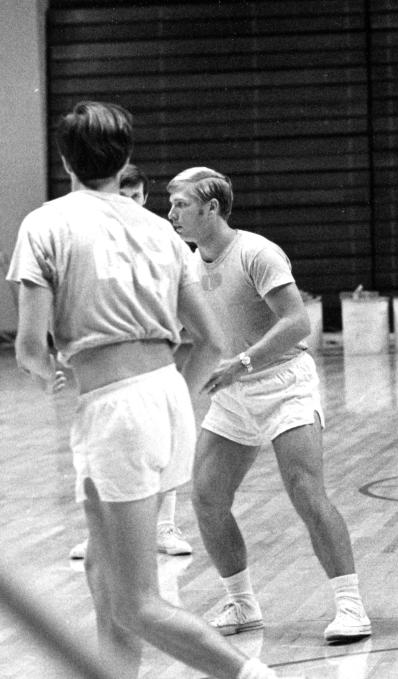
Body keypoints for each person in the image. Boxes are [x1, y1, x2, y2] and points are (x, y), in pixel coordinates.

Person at [7, 101, 279, 679]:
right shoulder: (160, 229)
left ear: (64, 159)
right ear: (124, 158)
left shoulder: (46, 223)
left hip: (115, 410)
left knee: (136, 601)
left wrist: (44, 369)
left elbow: (29, 344)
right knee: (102, 576)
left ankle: (257, 676)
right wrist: (172, 392)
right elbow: (211, 337)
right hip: (165, 399)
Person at [166, 167, 371, 644]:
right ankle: (242, 604)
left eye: (180, 203)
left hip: (284, 383)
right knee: (207, 497)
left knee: (305, 490)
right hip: (233, 393)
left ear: (211, 207)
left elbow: (299, 322)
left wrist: (242, 361)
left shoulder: (256, 252)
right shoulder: (189, 264)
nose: (170, 212)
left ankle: (351, 606)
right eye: (171, 204)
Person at [69, 163, 192, 561]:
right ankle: (101, 532)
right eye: (124, 196)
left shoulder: (159, 240)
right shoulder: (86, 241)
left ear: (144, 197)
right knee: (102, 451)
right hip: (104, 370)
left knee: (156, 451)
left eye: (137, 197)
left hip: (154, 365)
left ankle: (164, 526)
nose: (131, 204)